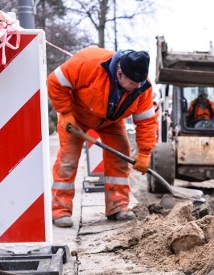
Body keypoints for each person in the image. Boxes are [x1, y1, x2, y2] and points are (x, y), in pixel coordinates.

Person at [47, 48, 157, 227]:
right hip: (75, 118)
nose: (137, 87)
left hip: (111, 122)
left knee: (120, 157)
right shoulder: (89, 62)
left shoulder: (142, 87)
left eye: (140, 83)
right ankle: (60, 211)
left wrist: (145, 153)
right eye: (132, 83)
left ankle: (118, 206)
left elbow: (146, 122)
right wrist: (65, 112)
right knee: (67, 161)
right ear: (120, 73)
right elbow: (55, 81)